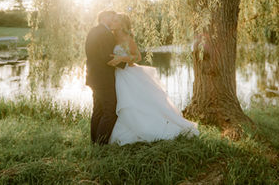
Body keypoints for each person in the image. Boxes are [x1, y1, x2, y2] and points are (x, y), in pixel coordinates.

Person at [107, 13, 199, 145]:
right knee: (125, 103)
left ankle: (151, 127)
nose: (112, 22)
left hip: (128, 74)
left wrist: (122, 58)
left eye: (115, 20)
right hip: (118, 75)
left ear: (121, 24)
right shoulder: (111, 37)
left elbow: (137, 57)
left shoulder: (128, 38)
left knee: (133, 103)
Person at [85, 10, 125, 144]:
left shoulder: (94, 31)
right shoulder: (104, 33)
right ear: (103, 17)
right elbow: (106, 56)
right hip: (103, 79)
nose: (113, 18)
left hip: (94, 77)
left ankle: (94, 141)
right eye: (111, 16)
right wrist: (126, 63)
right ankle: (101, 144)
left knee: (98, 110)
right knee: (110, 111)